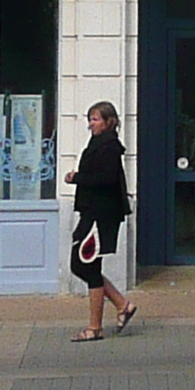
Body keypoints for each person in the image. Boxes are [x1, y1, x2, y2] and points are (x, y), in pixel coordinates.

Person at [63, 103, 137, 342]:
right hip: (91, 212)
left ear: (108, 121)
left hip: (100, 215)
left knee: (86, 265)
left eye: (95, 119)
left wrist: (77, 178)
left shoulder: (109, 147)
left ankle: (95, 327)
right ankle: (122, 304)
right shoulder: (98, 144)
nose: (91, 123)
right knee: (82, 265)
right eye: (90, 119)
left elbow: (104, 179)